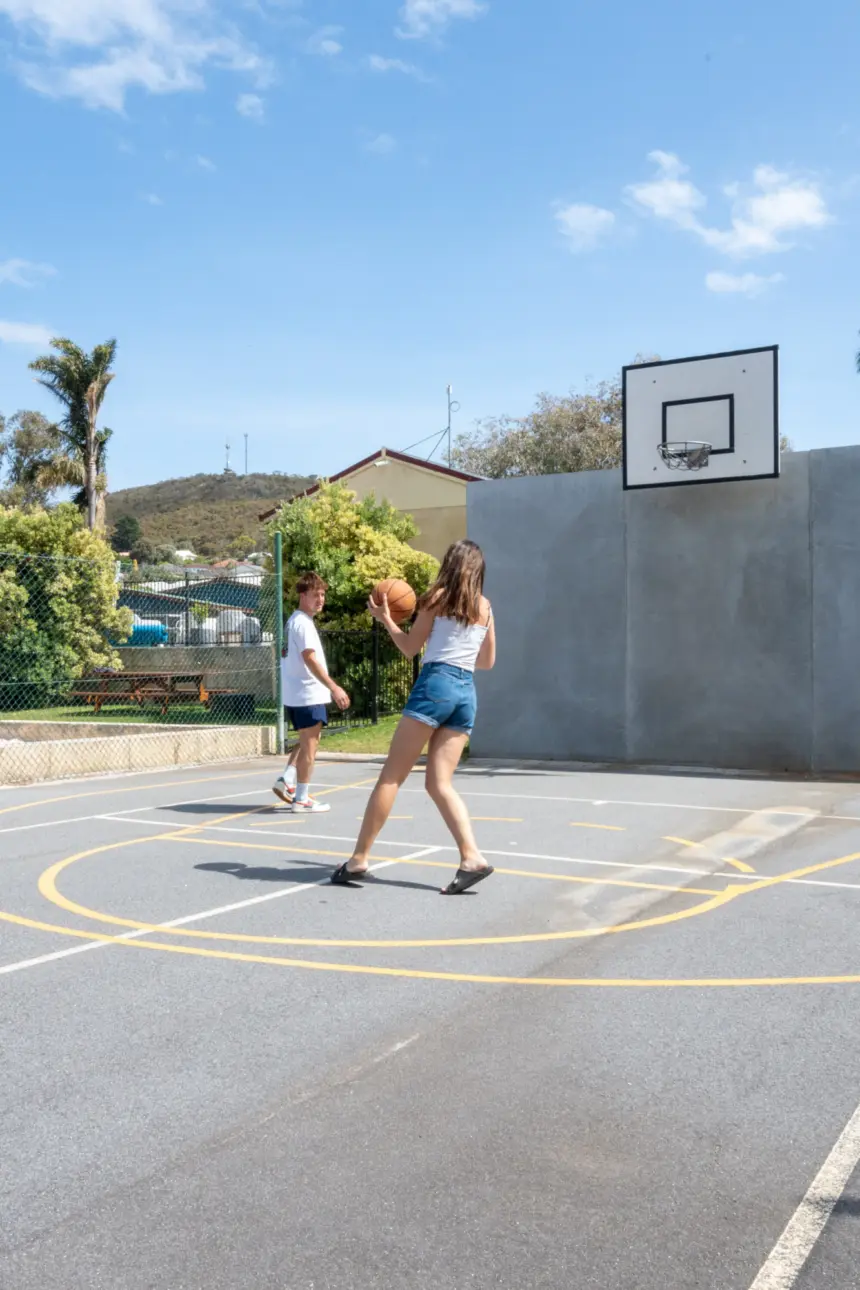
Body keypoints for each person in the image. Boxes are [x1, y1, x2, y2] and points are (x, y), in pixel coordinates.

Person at [331, 539, 496, 894]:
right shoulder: (485, 607)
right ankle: (472, 857)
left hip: (436, 683)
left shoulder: (436, 599)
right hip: (466, 691)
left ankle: (359, 859)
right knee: (440, 783)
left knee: (390, 777)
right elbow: (486, 662)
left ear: (449, 565)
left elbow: (409, 649)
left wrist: (387, 619)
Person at [272, 572, 350, 813]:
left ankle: (288, 779)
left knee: (308, 741)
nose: (321, 599)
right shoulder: (302, 624)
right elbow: (309, 658)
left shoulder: (295, 621)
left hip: (298, 694)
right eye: (316, 595)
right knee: (310, 747)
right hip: (307, 693)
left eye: (323, 594)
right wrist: (334, 686)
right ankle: (302, 799)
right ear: (302, 595)